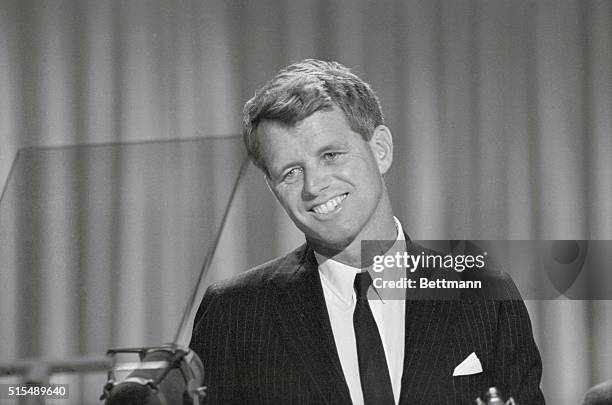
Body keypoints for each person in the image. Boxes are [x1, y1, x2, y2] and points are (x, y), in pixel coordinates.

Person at [190, 59, 544, 404]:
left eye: (330, 155)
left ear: (381, 150)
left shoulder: (486, 295)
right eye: (291, 172)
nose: (315, 186)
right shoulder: (234, 313)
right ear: (273, 187)